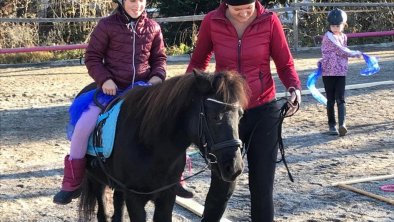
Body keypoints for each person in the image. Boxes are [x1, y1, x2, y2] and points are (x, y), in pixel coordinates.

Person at [53, 0, 191, 204]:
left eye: (142, 1)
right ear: (122, 2)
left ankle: (176, 174)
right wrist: (105, 79)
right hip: (113, 89)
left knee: (172, 121)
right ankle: (72, 181)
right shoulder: (106, 25)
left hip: (145, 89)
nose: (138, 5)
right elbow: (92, 57)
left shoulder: (153, 27)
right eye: (132, 1)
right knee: (84, 125)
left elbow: (159, 59)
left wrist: (157, 78)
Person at [186, 0, 301, 221]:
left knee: (262, 185)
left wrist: (294, 86)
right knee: (222, 183)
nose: (244, 13)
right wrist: (187, 92)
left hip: (263, 110)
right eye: (237, 10)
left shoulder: (270, 21)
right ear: (225, 5)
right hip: (227, 112)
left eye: (248, 8)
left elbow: (285, 64)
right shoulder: (212, 21)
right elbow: (199, 61)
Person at [320, 9, 362, 136]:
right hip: (328, 72)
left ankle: (342, 124)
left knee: (341, 99)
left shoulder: (344, 36)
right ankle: (332, 125)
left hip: (340, 71)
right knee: (330, 100)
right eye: (332, 25)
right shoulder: (328, 37)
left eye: (337, 25)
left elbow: (344, 49)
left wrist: (353, 53)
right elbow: (340, 49)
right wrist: (356, 53)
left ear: (343, 25)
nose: (335, 28)